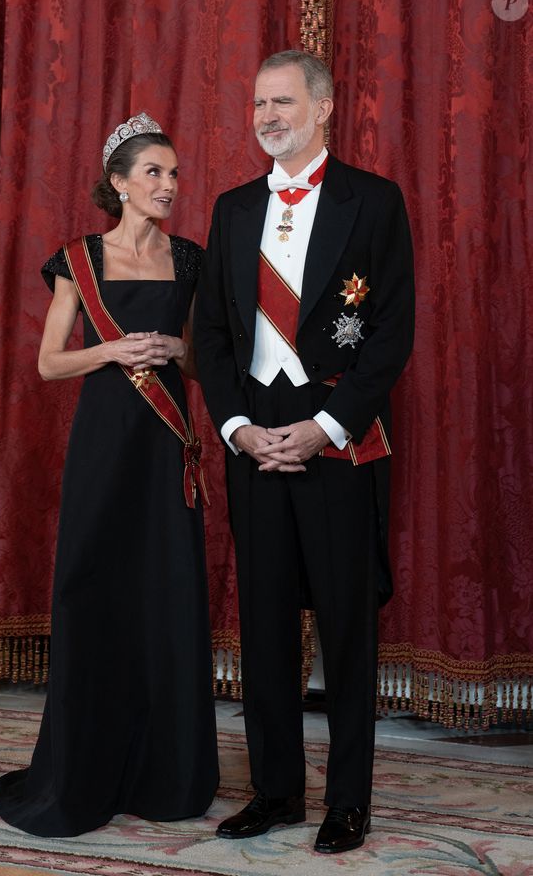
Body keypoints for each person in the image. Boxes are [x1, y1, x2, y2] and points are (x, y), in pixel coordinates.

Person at [194, 51, 414, 854]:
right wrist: (235, 427)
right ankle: (277, 790)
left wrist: (326, 425)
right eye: (257, 102)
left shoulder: (375, 202)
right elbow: (212, 336)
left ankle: (347, 802)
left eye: (282, 101)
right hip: (254, 435)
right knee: (264, 627)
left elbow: (392, 334)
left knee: (347, 630)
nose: (267, 115)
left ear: (323, 108)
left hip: (337, 434)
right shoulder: (229, 208)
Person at [0, 113, 219, 837]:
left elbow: (199, 363)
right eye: (153, 173)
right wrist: (115, 351)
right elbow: (50, 362)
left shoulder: (190, 261)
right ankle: (83, 768)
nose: (169, 185)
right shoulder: (78, 260)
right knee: (96, 592)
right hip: (103, 445)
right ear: (118, 183)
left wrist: (170, 351)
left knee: (167, 597)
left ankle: (167, 773)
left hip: (164, 448)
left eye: (175, 173)